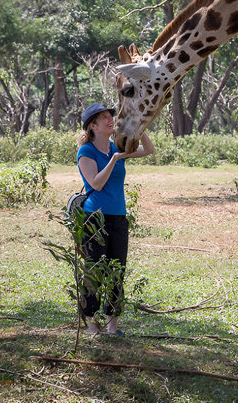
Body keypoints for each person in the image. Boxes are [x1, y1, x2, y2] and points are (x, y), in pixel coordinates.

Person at [76, 102, 155, 336]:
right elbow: (96, 183)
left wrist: (140, 127)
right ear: (93, 126)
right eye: (103, 117)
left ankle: (112, 327)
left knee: (117, 270)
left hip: (119, 218)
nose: (110, 119)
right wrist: (114, 159)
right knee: (95, 271)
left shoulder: (115, 147)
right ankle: (90, 324)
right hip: (95, 219)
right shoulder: (87, 152)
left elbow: (148, 150)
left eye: (111, 115)